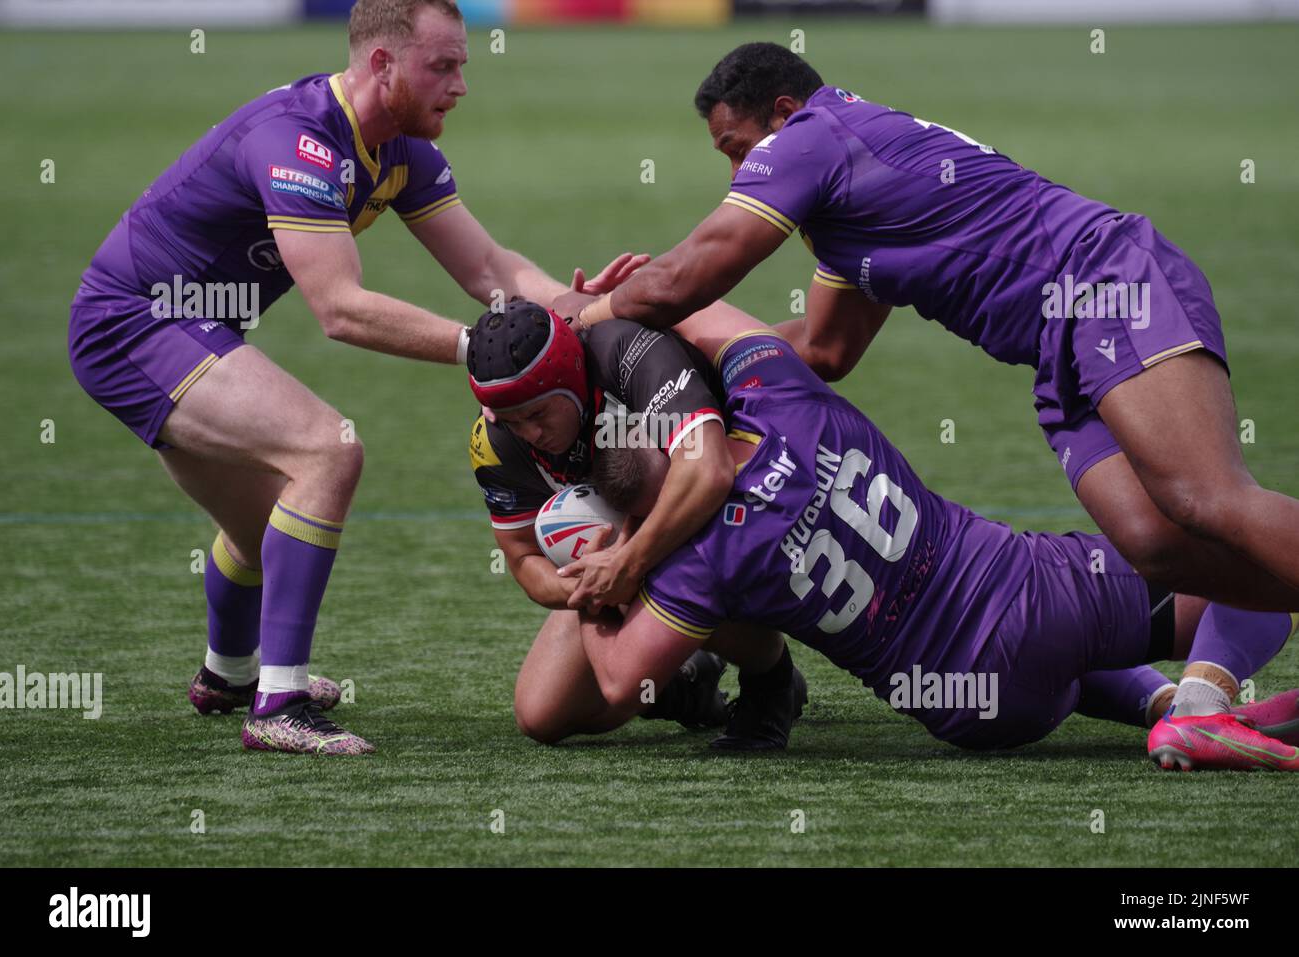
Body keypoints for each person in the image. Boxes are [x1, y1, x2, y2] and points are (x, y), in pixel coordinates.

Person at [555, 42, 1299, 728]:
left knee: (1205, 500)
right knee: (1153, 545)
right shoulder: (847, 208)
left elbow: (697, 270)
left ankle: (1200, 690)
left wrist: (591, 317)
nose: (736, 172)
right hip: (1056, 348)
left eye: (736, 148)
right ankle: (1203, 690)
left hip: (1101, 284)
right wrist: (677, 354)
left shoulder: (813, 134)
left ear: (782, 114)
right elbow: (824, 345)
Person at [68, 0, 638, 755]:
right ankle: (279, 706)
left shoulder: (401, 147)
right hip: (131, 324)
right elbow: (340, 309)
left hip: (189, 325)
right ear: (382, 65)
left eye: (462, 64)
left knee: (262, 517)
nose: (461, 83)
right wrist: (486, 350)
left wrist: (588, 311)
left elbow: (491, 269)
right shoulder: (297, 141)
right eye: (444, 65)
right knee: (327, 450)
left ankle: (229, 674)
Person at [568, 306, 1299, 770]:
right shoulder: (782, 400)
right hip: (1028, 597)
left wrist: (601, 568)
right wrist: (612, 315)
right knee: (1253, 577)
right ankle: (1200, 708)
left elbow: (614, 681)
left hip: (973, 712)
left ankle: (1158, 703)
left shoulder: (697, 563)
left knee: (1068, 664)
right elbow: (703, 314)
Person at [466, 300, 806, 749]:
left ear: (569, 378)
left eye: (537, 414)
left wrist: (628, 562)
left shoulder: (626, 352)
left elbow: (708, 474)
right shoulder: (494, 442)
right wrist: (586, 586)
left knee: (683, 550)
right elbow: (523, 558)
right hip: (624, 556)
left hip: (731, 509)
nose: (530, 434)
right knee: (541, 714)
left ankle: (771, 677)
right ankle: (685, 688)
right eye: (512, 420)